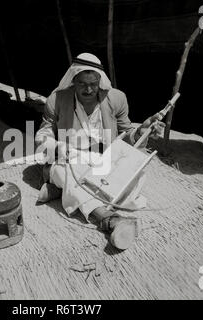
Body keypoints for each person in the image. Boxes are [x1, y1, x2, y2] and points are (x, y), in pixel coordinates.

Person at [35, 53, 164, 250]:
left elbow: (127, 134)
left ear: (100, 81)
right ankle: (108, 219)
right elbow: (44, 132)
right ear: (73, 81)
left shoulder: (116, 98)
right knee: (67, 172)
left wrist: (142, 131)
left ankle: (61, 190)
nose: (88, 89)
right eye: (82, 84)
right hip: (70, 157)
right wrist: (57, 147)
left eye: (93, 84)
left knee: (137, 175)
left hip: (105, 157)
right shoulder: (57, 99)